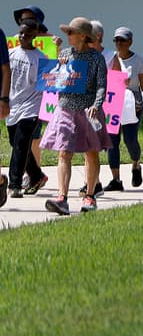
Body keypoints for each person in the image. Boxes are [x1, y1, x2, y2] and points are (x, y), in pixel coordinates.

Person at [40, 17, 108, 215]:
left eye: (71, 32)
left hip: (88, 111)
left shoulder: (96, 58)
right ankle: (62, 197)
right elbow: (54, 81)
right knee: (64, 152)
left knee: (91, 152)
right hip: (65, 109)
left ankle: (90, 195)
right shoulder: (64, 55)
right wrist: (59, 67)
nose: (67, 36)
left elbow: (102, 85)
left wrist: (97, 104)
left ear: (83, 36)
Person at [104, 27, 143, 191]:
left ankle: (136, 164)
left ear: (130, 42)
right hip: (113, 103)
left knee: (130, 139)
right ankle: (116, 179)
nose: (119, 43)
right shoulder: (109, 59)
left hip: (133, 104)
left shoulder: (138, 60)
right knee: (112, 141)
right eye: (116, 40)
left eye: (122, 40)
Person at [5, 18, 49, 202]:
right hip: (13, 106)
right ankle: (37, 176)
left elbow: (49, 85)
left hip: (32, 108)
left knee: (22, 144)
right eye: (21, 33)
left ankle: (14, 185)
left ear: (35, 35)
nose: (23, 36)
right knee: (15, 143)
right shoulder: (10, 54)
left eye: (28, 34)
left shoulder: (42, 59)